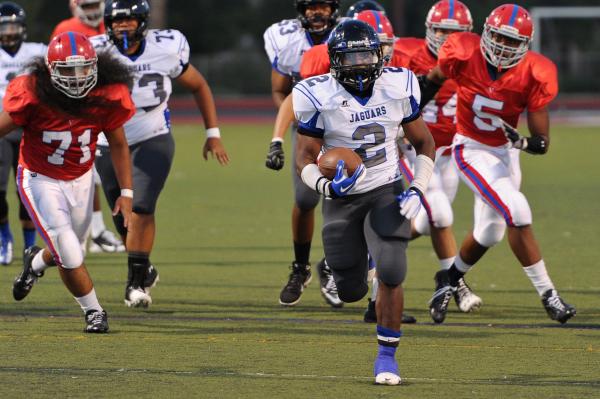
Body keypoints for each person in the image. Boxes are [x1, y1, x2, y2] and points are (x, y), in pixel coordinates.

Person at [294, 20, 435, 385]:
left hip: (385, 189)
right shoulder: (316, 94)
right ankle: (343, 268)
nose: (359, 64)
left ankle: (387, 357)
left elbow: (425, 143)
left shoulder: (398, 85)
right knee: (351, 291)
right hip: (341, 199)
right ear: (335, 60)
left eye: (365, 55)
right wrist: (326, 186)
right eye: (350, 57)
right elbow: (305, 158)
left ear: (379, 56)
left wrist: (418, 187)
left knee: (391, 269)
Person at [421, 4, 576, 324]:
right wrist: (408, 116)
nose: (503, 47)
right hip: (471, 148)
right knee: (518, 210)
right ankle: (549, 295)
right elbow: (432, 80)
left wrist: (524, 142)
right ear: (485, 35)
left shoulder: (536, 72)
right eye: (499, 38)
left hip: (506, 152)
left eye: (512, 41)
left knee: (490, 233)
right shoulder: (462, 52)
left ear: (526, 45)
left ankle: (447, 281)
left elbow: (541, 142)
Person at [91, 0, 229, 308]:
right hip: (107, 140)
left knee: (140, 206)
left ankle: (135, 283)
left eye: (128, 20)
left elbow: (199, 85)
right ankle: (143, 265)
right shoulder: (95, 52)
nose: (122, 26)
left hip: (152, 135)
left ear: (142, 21)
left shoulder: (165, 48)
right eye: (116, 21)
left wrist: (213, 133)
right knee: (120, 210)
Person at [8, 31, 134, 332]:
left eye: (83, 69)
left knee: (66, 247)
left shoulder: (106, 95)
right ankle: (94, 311)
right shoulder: (34, 93)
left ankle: (35, 263)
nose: (77, 78)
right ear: (51, 71)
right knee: (70, 250)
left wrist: (126, 192)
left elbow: (118, 143)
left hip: (81, 178)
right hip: (40, 178)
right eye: (68, 71)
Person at [393, 0, 483, 316]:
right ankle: (453, 284)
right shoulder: (404, 54)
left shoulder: (474, 61)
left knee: (429, 221)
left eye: (454, 32)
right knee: (441, 214)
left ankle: (371, 252)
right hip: (414, 148)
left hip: (447, 151)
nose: (446, 37)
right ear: (429, 30)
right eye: (441, 30)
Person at [264, 0, 342, 307]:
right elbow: (281, 92)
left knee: (345, 202)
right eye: (311, 6)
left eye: (322, 5)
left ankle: (335, 266)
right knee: (305, 200)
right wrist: (290, 129)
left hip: (346, 130)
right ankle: (301, 267)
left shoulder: (347, 35)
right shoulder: (289, 42)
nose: (316, 12)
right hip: (309, 131)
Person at [52, 0, 125, 254]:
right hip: (78, 109)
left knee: (96, 175)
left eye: (96, 4)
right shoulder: (66, 27)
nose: (93, 10)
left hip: (103, 108)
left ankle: (95, 231)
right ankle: (88, 232)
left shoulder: (114, 23)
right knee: (82, 174)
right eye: (88, 4)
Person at [0, 2, 46, 265]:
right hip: (1, 129)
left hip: (30, 129)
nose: (8, 32)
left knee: (25, 191)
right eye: (3, 26)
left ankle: (30, 247)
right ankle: (5, 236)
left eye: (13, 26)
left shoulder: (37, 52)